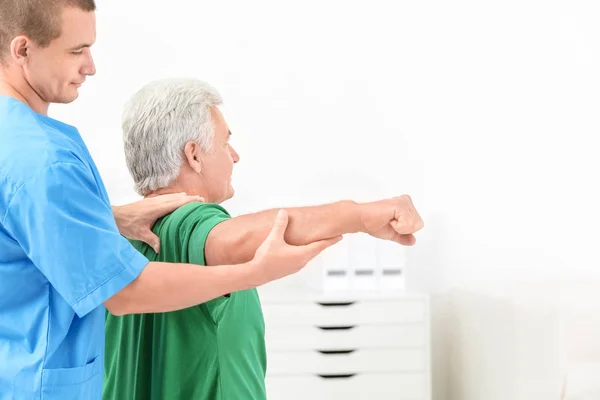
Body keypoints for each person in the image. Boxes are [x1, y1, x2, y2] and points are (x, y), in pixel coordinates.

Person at [0, 2, 339, 399]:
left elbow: (18, 226)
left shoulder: (16, 144)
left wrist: (110, 217)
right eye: (77, 50)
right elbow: (125, 292)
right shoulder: (44, 161)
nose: (90, 66)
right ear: (22, 50)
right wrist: (258, 270)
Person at [103, 78, 424, 400]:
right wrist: (361, 215)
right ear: (194, 155)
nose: (235, 155)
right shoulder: (188, 222)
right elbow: (236, 239)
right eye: (225, 142)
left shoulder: (110, 236)